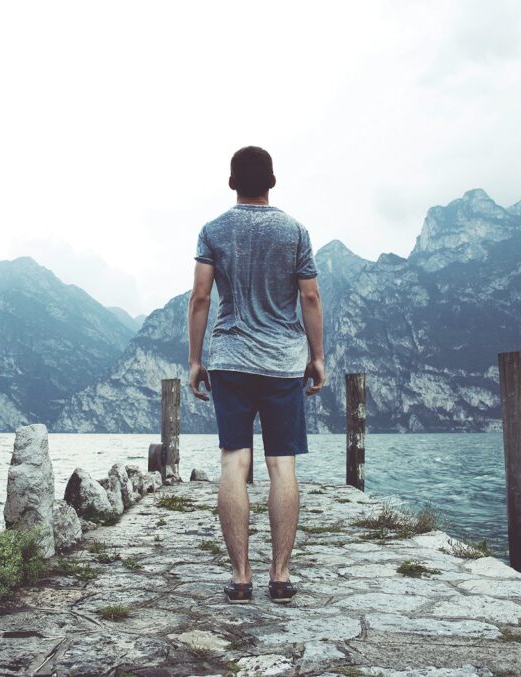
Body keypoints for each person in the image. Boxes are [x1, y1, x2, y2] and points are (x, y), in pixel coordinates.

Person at [187, 145, 325, 605]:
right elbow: (310, 299)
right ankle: (280, 576)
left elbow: (201, 299)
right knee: (281, 466)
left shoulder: (213, 230)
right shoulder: (295, 232)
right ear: (272, 181)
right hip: (283, 365)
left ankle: (240, 577)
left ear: (232, 183)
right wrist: (317, 355)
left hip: (230, 361)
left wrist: (195, 360)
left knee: (234, 463)